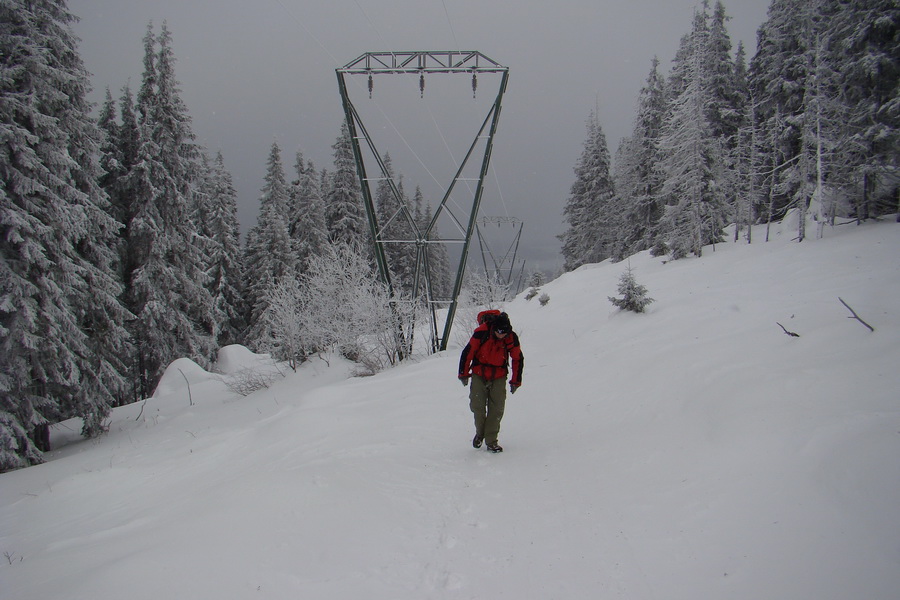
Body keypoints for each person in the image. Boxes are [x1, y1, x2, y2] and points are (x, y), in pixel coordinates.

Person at [458, 311, 524, 453]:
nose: (501, 335)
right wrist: (463, 373)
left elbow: (517, 358)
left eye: (504, 333)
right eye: (499, 333)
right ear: (494, 328)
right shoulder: (481, 332)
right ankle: (480, 434)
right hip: (479, 374)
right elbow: (468, 352)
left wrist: (515, 381)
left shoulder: (511, 337)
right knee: (477, 406)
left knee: (497, 409)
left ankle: (491, 441)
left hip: (499, 375)